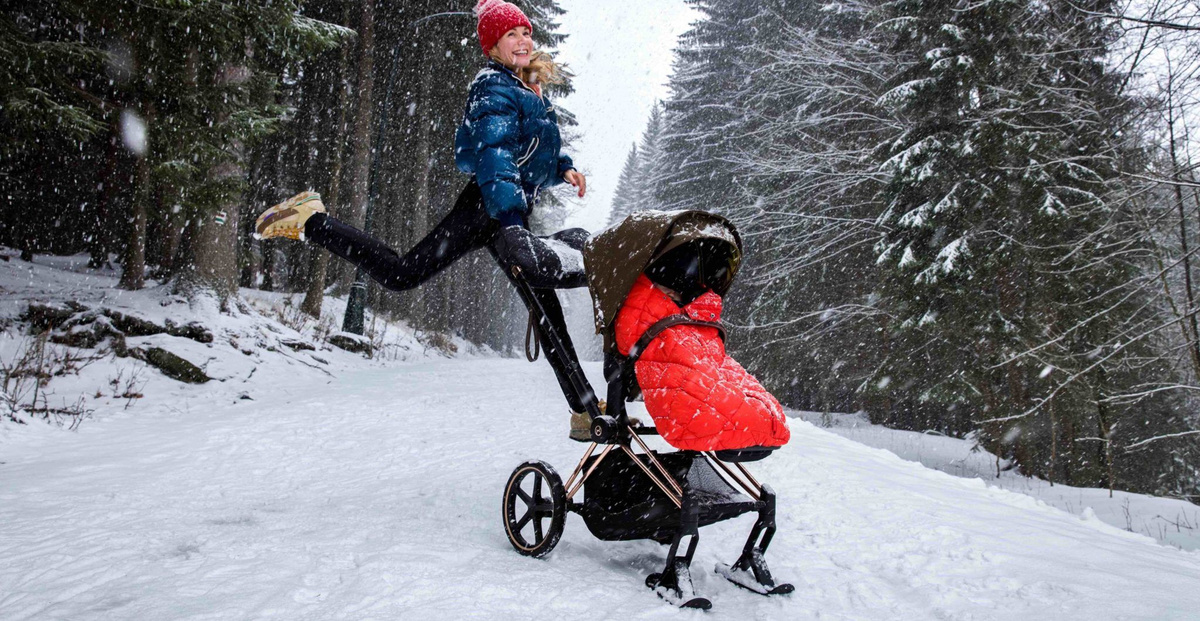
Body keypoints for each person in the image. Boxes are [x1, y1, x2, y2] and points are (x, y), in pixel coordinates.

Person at [254, 0, 597, 441]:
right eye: (511, 34)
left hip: (507, 212)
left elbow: (534, 150)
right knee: (401, 275)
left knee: (546, 309)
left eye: (526, 32)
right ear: (492, 46)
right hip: (489, 208)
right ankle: (312, 219)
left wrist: (563, 168)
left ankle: (586, 412)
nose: (523, 40)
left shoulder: (528, 87)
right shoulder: (492, 87)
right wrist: (510, 217)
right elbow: (495, 156)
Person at [613, 238, 791, 451]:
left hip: (692, 341)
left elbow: (714, 362)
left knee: (740, 399)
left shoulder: (693, 310)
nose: (673, 294)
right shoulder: (642, 307)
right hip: (670, 341)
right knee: (741, 414)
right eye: (668, 290)